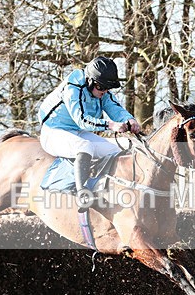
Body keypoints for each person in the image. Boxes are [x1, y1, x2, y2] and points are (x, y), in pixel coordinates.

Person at [38, 56, 141, 202]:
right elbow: (82, 120)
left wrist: (129, 119)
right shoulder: (73, 87)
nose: (104, 91)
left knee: (116, 151)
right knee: (84, 146)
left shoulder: (100, 87)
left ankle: (105, 188)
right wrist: (111, 125)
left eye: (107, 88)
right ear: (90, 81)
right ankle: (82, 194)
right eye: (101, 87)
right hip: (53, 131)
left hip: (77, 132)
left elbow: (113, 106)